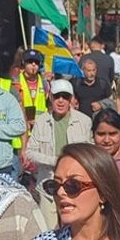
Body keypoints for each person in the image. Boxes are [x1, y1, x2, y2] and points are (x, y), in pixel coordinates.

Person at [27, 79, 94, 226]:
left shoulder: (84, 121)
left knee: (74, 228)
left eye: (65, 97)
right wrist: (55, 161)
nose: (61, 101)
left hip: (75, 185)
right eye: (57, 96)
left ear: (72, 99)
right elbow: (30, 152)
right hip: (48, 184)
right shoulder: (41, 121)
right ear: (51, 98)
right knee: (47, 230)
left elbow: (90, 152)